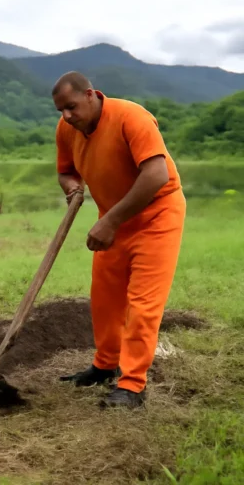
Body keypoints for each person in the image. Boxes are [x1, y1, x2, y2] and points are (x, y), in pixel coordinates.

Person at [53, 71, 186, 409]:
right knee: (105, 299)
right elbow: (66, 170)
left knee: (142, 304)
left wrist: (110, 220)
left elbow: (157, 174)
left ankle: (132, 386)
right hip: (112, 220)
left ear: (91, 95)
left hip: (156, 216)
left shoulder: (131, 117)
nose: (66, 116)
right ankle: (105, 365)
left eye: (71, 107)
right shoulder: (68, 129)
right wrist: (71, 187)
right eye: (60, 111)